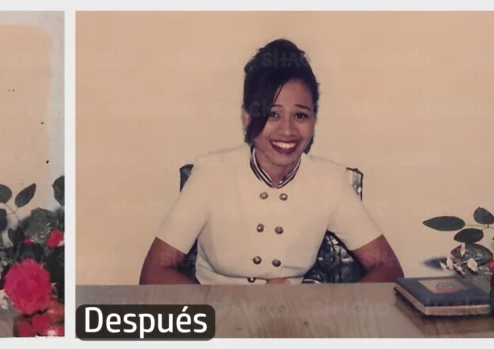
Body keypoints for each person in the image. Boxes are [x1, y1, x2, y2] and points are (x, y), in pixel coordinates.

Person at [139, 39, 403, 285]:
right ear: (246, 117)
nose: (287, 131)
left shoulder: (329, 181)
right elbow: (153, 273)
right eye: (273, 114)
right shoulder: (211, 173)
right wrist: (227, 305)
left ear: (314, 120)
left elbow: (389, 268)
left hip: (295, 326)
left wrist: (321, 305)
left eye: (300, 115)